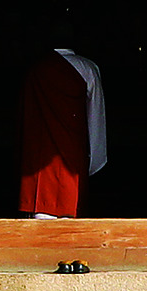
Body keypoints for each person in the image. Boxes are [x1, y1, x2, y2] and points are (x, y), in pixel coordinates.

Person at [18, 24, 106, 217]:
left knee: (42, 215)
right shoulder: (88, 68)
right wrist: (96, 158)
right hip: (74, 153)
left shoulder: (36, 70)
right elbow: (96, 115)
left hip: (39, 156)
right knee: (70, 214)